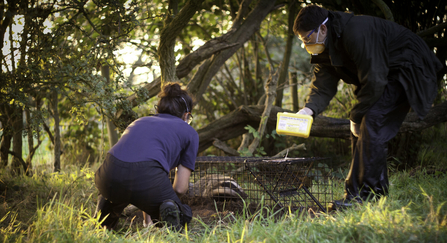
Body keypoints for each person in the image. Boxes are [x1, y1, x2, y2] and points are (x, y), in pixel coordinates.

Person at [293, 5, 442, 209]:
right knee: (364, 124)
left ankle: (363, 198)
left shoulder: (357, 32)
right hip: (383, 75)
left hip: (408, 67)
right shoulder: (325, 47)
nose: (306, 45)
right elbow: (322, 86)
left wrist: (356, 115)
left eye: (307, 39)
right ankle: (372, 192)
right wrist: (308, 111)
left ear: (323, 29)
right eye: (302, 42)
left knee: (372, 121)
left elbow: (374, 79)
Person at [94, 82, 199, 230]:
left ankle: (104, 217)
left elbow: (136, 161)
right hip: (147, 177)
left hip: (108, 174)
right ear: (186, 115)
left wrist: (147, 222)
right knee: (182, 215)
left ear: (158, 109)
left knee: (121, 187)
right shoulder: (189, 133)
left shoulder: (139, 121)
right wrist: (169, 201)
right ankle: (173, 224)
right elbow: (180, 188)